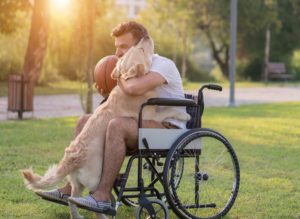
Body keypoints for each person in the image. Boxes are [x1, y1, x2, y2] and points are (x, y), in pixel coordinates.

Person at [36, 21, 187, 213]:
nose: (118, 53)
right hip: (140, 121)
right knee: (85, 121)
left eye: (123, 47)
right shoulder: (128, 66)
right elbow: (124, 101)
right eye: (116, 48)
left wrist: (117, 75)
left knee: (117, 126)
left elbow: (134, 88)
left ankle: (102, 196)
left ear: (140, 44)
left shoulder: (163, 65)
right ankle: (69, 188)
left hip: (168, 127)